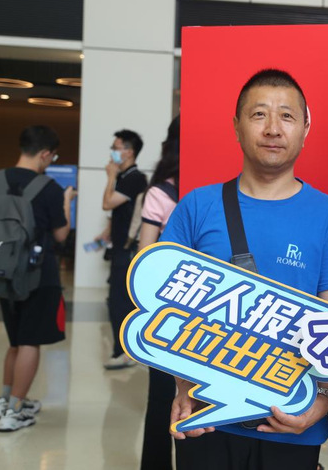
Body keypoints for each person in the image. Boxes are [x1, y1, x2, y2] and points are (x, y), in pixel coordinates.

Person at [163, 69, 328, 470]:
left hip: (291, 422)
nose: (273, 128)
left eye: (287, 116)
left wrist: (322, 400)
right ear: (237, 126)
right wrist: (184, 386)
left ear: (305, 129)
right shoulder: (196, 207)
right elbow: (166, 304)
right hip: (207, 417)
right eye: (259, 114)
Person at [0, 125, 76, 431]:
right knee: (30, 342)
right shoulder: (49, 188)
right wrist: (67, 201)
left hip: (4, 272)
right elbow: (60, 234)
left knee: (15, 341)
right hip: (37, 274)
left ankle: (6, 400)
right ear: (45, 154)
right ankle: (15, 411)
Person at [138, 116, 180, 470]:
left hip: (169, 311)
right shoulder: (212, 192)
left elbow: (144, 256)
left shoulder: (161, 193)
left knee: (163, 397)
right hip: (205, 311)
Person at [99, 129, 148, 370]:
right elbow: (119, 211)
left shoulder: (134, 178)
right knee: (116, 301)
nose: (112, 152)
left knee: (120, 303)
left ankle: (125, 352)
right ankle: (124, 350)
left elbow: (107, 203)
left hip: (128, 251)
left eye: (116, 148)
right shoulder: (125, 177)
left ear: (129, 152)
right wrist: (108, 230)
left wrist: (110, 176)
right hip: (119, 246)